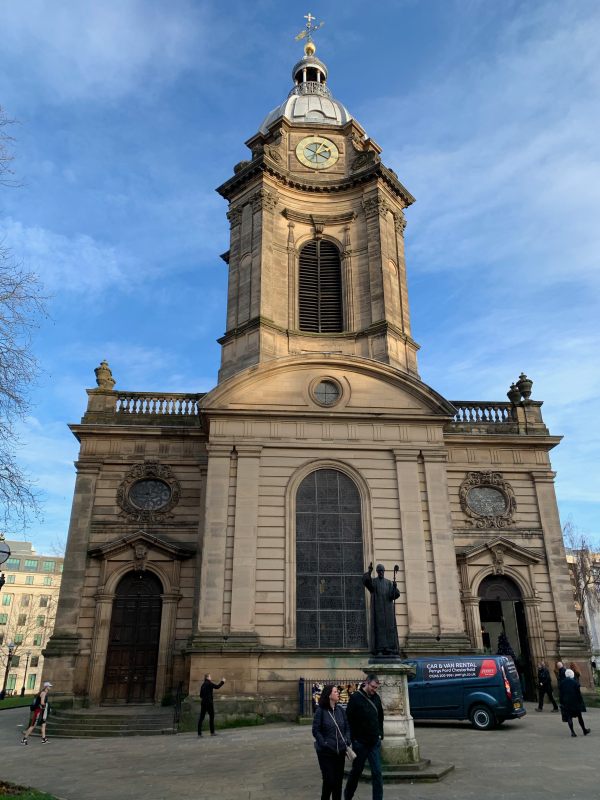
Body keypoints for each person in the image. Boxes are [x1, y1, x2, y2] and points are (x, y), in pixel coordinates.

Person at [344, 674, 384, 800]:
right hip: (360, 743)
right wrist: (351, 739)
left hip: (374, 743)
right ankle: (348, 796)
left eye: (376, 687)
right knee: (356, 772)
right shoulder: (355, 698)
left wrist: (380, 733)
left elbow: (380, 717)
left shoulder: (376, 698)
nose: (374, 689)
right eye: (373, 687)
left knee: (377, 773)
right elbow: (348, 719)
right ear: (366, 683)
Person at [312, 685, 351, 800]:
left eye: (338, 692)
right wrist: (324, 743)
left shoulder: (341, 711)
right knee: (329, 781)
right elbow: (316, 730)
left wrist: (347, 740)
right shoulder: (321, 711)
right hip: (326, 753)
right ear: (329, 695)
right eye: (335, 691)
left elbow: (347, 727)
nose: (338, 693)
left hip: (340, 752)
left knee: (338, 783)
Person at [363, 563, 400, 656]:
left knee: (390, 629)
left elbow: (394, 595)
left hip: (388, 611)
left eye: (382, 571)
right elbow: (366, 582)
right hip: (378, 610)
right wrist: (369, 572)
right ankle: (379, 649)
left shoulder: (388, 583)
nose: (381, 573)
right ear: (377, 572)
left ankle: (390, 649)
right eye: (379, 571)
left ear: (384, 572)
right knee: (379, 629)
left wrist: (395, 588)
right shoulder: (374, 582)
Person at [559, 668, 590, 737]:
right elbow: (578, 694)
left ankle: (573, 732)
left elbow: (561, 694)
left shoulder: (562, 683)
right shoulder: (575, 682)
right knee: (579, 717)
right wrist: (580, 702)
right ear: (572, 674)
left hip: (566, 702)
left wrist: (561, 702)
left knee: (569, 717)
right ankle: (584, 730)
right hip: (575, 702)